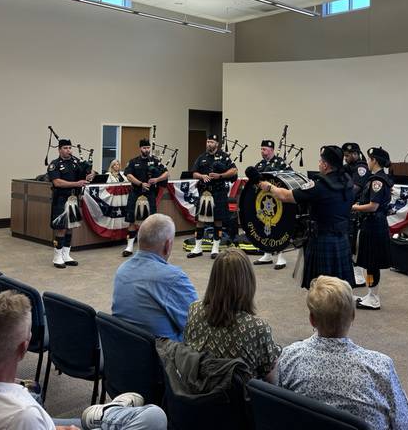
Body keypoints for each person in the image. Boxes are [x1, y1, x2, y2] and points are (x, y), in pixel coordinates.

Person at [0, 291, 166, 430]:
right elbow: (25, 421)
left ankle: (106, 416)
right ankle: (108, 415)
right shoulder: (24, 415)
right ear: (23, 348)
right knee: (154, 417)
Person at [278, 276, 408, 430]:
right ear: (353, 316)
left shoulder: (289, 358)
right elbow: (406, 424)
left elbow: (279, 412)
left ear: (312, 320)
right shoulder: (380, 366)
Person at [259, 146, 355, 288]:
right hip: (342, 238)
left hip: (322, 240)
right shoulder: (347, 181)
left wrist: (269, 187)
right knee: (340, 286)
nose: (319, 163)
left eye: (320, 161)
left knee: (321, 288)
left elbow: (285, 196)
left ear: (325, 165)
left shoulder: (319, 186)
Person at [184, 248, 281, 381]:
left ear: (214, 279)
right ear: (248, 281)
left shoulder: (194, 309)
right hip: (238, 398)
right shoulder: (257, 327)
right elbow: (270, 381)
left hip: (197, 391)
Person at [112, 213, 198, 341]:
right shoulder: (173, 278)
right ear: (168, 245)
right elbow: (197, 327)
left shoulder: (122, 270)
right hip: (163, 357)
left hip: (126, 351)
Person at [351, 147, 394, 310]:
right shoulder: (378, 178)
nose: (368, 162)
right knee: (369, 263)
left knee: (372, 263)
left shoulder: (377, 181)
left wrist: (354, 207)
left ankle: (374, 298)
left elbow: (373, 206)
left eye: (369, 159)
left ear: (374, 160)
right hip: (371, 224)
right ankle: (371, 294)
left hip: (374, 225)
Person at [188, 134, 238, 259]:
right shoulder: (202, 157)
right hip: (204, 193)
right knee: (199, 220)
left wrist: (220, 176)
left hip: (218, 192)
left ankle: (215, 248)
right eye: (208, 141)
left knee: (218, 220)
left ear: (217, 144)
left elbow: (234, 171)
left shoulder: (224, 157)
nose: (209, 144)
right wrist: (202, 176)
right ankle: (197, 247)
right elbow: (194, 173)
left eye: (211, 142)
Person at [47, 138, 94, 269]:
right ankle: (57, 257)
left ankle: (66, 255)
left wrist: (89, 175)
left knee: (70, 227)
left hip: (73, 198)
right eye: (65, 148)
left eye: (69, 148)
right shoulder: (54, 164)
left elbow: (85, 174)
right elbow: (57, 182)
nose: (68, 150)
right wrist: (76, 183)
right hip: (61, 198)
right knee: (61, 227)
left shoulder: (76, 162)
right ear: (59, 150)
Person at [122, 139, 169, 257]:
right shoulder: (133, 162)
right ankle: (129, 247)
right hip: (136, 193)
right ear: (140, 148)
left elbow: (167, 173)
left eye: (148, 148)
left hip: (150, 195)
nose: (146, 150)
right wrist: (140, 183)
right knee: (132, 220)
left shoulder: (155, 161)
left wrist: (157, 179)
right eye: (144, 148)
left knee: (150, 222)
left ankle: (149, 248)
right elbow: (128, 175)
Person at [253, 139, 292, 270]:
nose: (262, 152)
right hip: (264, 201)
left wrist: (276, 171)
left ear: (272, 150)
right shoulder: (259, 164)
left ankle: (281, 256)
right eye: (261, 149)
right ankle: (267, 253)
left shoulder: (280, 162)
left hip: (279, 201)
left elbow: (290, 176)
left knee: (279, 227)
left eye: (264, 149)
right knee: (265, 224)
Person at [342, 143, 370, 286]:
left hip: (358, 209)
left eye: (347, 155)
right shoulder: (348, 167)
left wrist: (340, 197)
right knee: (349, 241)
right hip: (350, 208)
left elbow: (355, 189)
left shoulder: (361, 168)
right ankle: (352, 272)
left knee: (355, 243)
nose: (345, 158)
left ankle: (358, 275)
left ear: (355, 154)